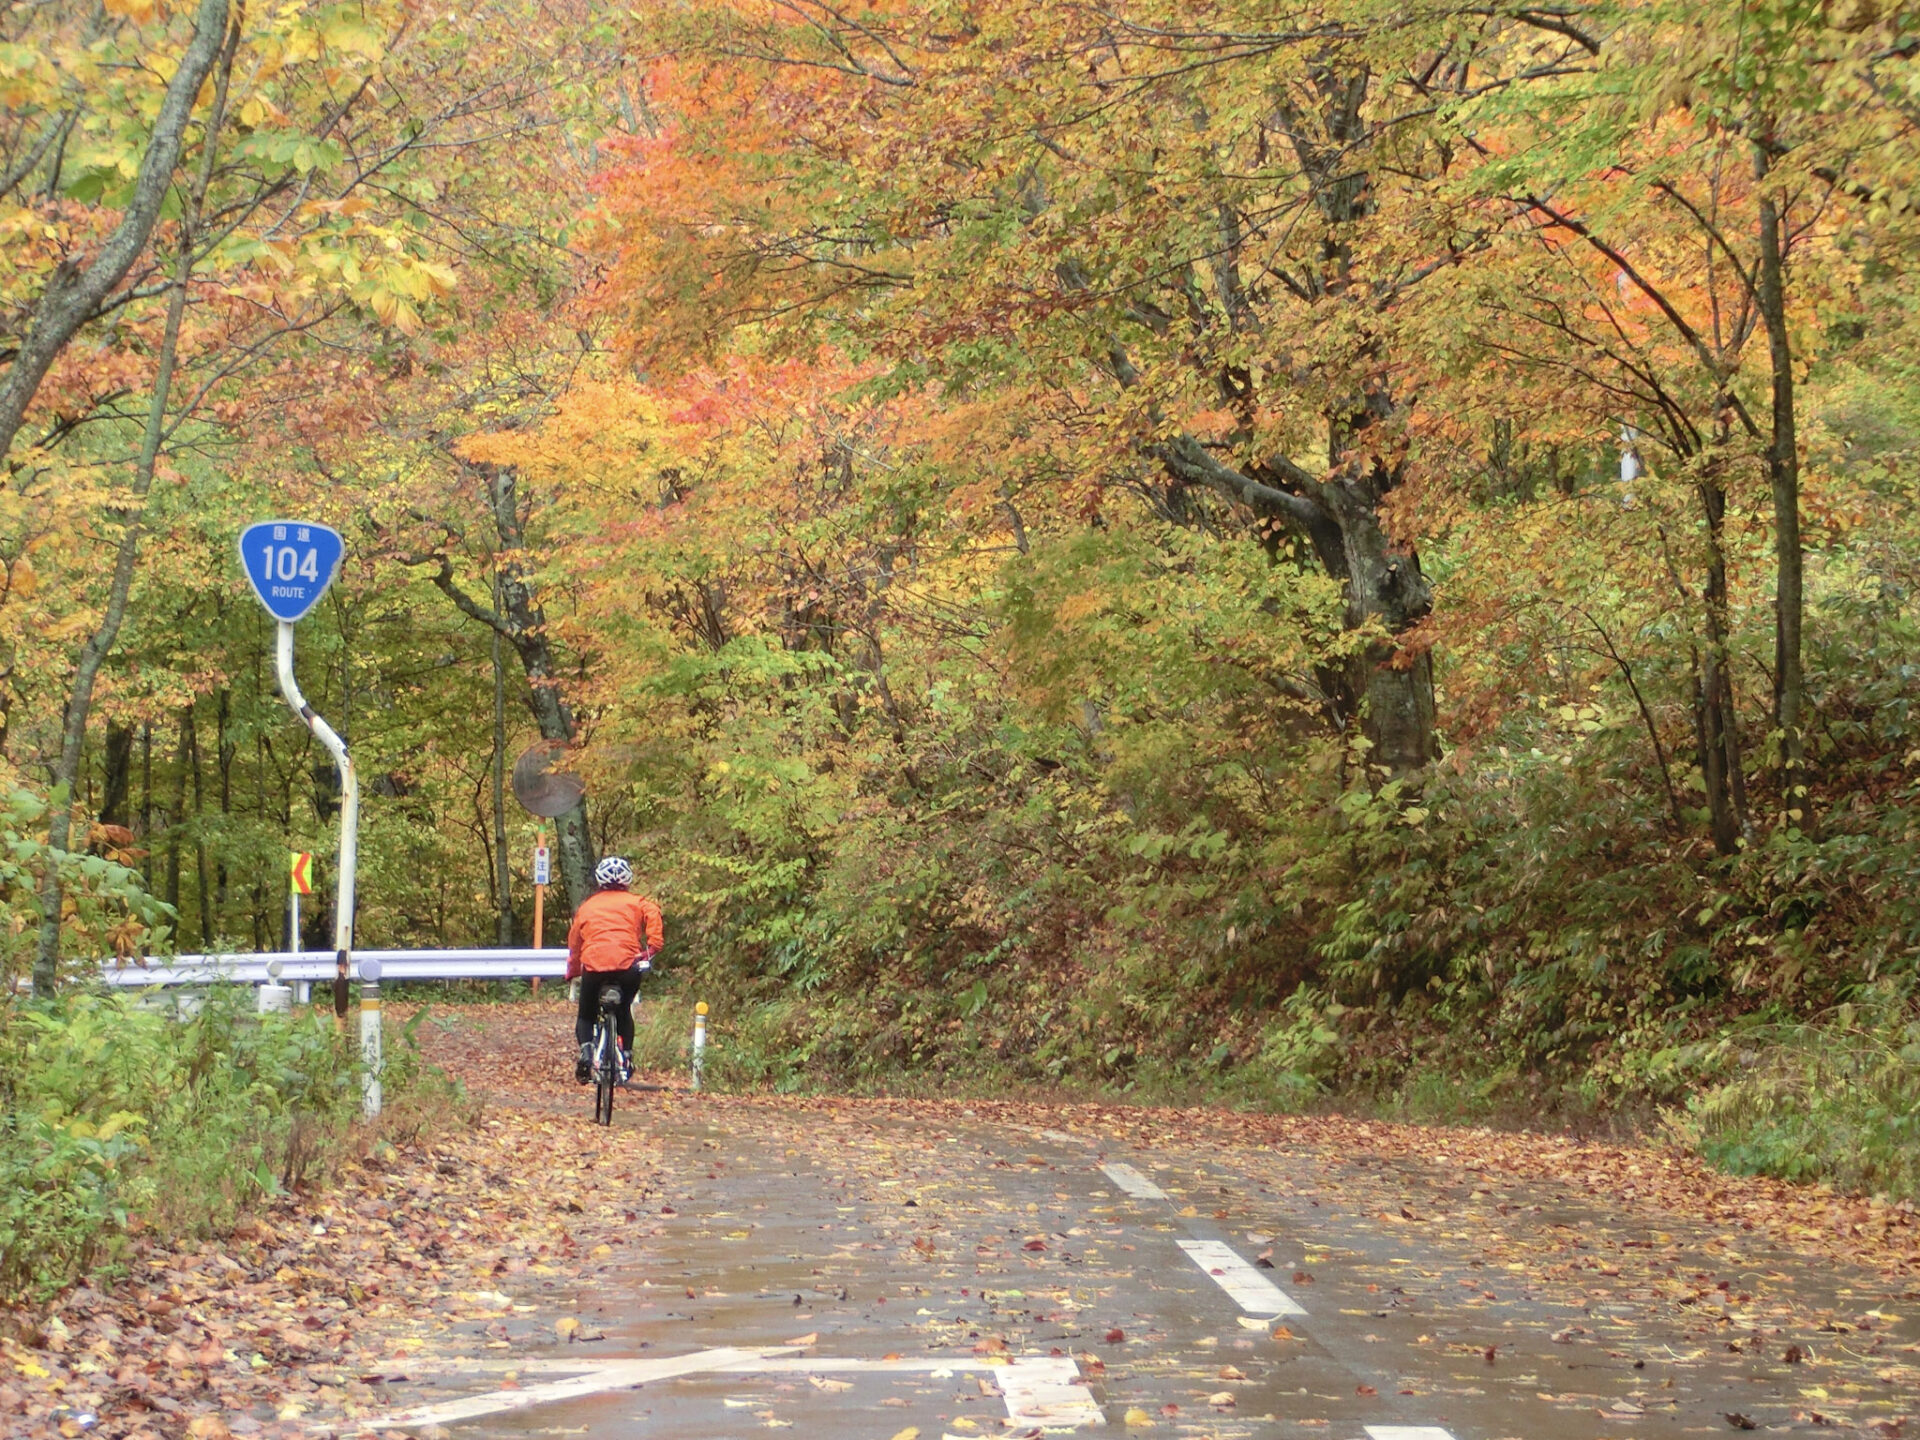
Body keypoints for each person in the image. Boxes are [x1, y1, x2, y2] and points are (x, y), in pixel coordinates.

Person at [566, 856, 663, 1084]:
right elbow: (655, 919)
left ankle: (587, 1052)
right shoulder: (639, 903)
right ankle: (626, 1057)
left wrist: (572, 971)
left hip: (594, 967)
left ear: (599, 880)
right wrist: (649, 951)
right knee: (623, 1011)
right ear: (628, 880)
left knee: (586, 1015)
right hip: (628, 967)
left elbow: (575, 944)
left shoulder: (587, 907)